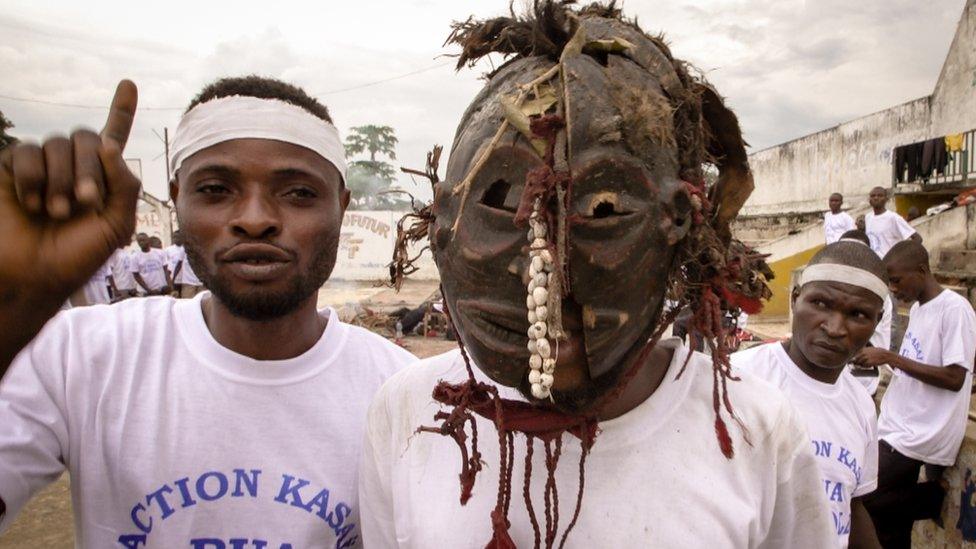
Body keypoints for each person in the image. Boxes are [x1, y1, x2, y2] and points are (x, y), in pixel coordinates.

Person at [359, 4, 833, 547]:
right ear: (441, 221)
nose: (548, 269)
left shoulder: (759, 434)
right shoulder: (404, 412)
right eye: (502, 198)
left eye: (603, 209)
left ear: (678, 223)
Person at [0, 76, 414, 546]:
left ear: (340, 207)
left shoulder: (402, 393)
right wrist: (8, 305)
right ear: (176, 200)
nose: (255, 219)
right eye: (216, 189)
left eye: (298, 193)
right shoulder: (82, 354)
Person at [732, 241, 885, 548]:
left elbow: (851, 506)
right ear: (796, 299)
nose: (834, 327)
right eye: (821, 304)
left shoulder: (862, 407)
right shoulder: (736, 379)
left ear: (876, 323)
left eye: (857, 314)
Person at [855, 240, 976, 547]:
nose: (893, 289)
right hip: (896, 426)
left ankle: (930, 501)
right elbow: (916, 366)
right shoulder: (921, 308)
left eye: (896, 280)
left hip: (918, 434)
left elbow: (954, 377)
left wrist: (890, 357)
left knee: (861, 501)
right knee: (890, 526)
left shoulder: (954, 309)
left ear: (922, 271)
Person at [838, 229, 892, 395]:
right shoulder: (834, 288)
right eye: (845, 251)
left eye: (857, 252)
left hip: (862, 382)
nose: (851, 258)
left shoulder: (879, 295)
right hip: (834, 380)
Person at [864, 187, 920, 258]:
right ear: (869, 200)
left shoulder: (893, 218)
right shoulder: (868, 217)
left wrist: (902, 256)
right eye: (873, 196)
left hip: (888, 265)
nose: (876, 198)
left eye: (880, 195)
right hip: (872, 263)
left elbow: (917, 238)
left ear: (886, 199)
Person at [131, 231, 171, 295]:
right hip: (146, 291)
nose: (141, 243)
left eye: (143, 240)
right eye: (139, 241)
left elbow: (166, 270)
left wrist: (169, 286)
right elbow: (136, 276)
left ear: (148, 240)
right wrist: (148, 290)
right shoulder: (134, 257)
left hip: (161, 289)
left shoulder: (160, 253)